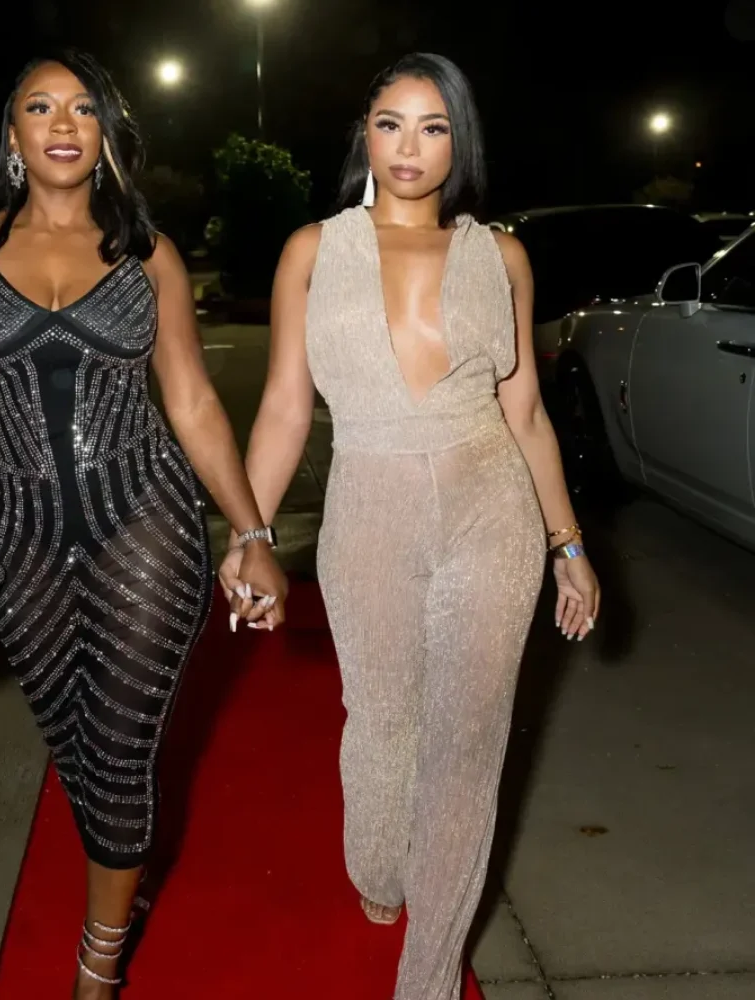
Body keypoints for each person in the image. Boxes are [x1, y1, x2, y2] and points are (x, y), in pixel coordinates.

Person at [0, 50, 287, 999]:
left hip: (144, 526)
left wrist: (251, 534)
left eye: (83, 108)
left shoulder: (147, 255)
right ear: (14, 136)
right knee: (75, 749)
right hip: (21, 536)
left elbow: (191, 400)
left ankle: (95, 968)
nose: (63, 123)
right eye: (40, 107)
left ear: (106, 133)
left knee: (119, 751)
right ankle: (124, 883)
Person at [219, 53, 600, 1000]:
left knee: (470, 742)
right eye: (390, 123)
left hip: (492, 511)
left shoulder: (500, 254)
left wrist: (570, 544)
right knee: (381, 725)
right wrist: (248, 535)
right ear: (364, 132)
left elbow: (525, 417)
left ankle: (425, 975)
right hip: (370, 506)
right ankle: (381, 874)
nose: (409, 147)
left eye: (434, 127)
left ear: (458, 142)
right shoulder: (314, 249)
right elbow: (281, 411)